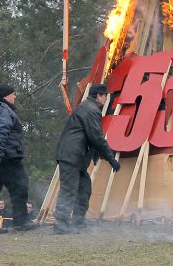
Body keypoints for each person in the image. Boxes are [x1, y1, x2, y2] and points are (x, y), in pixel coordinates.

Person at [53, 83, 120, 234]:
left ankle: (78, 221)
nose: (106, 98)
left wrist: (97, 154)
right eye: (104, 95)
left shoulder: (87, 107)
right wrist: (111, 159)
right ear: (98, 96)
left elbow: (89, 135)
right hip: (72, 155)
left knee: (84, 188)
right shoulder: (91, 110)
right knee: (69, 189)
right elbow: (96, 137)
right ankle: (60, 224)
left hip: (76, 156)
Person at [0, 84, 36, 235]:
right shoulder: (3, 110)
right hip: (7, 158)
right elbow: (0, 133)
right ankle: (21, 221)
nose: (15, 97)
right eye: (13, 94)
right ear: (6, 96)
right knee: (20, 187)